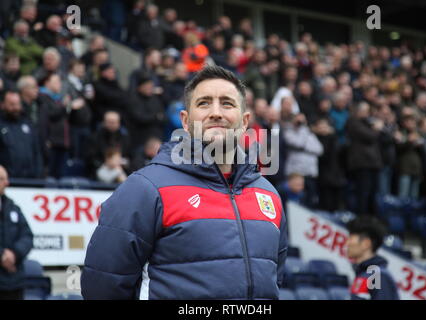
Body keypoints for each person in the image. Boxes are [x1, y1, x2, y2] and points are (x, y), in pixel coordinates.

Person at [81, 65, 288, 300]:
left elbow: (273, 283)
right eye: (204, 103)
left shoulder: (269, 195)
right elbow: (103, 287)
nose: (216, 113)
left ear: (244, 121)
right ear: (186, 121)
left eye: (227, 103)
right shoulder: (145, 189)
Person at [0, 165, 34, 300]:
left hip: (15, 282)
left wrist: (14, 254)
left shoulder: (13, 207)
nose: (7, 183)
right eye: (2, 179)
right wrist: (1, 255)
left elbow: (27, 235)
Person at [346, 215, 399, 300]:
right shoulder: (365, 274)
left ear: (366, 243)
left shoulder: (377, 276)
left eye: (350, 238)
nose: (347, 243)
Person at [0, 90, 43, 178]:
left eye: (18, 104)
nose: (16, 108)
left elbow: (37, 152)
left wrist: (38, 174)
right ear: (2, 105)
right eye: (12, 104)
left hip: (31, 181)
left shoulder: (28, 125)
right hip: (8, 181)